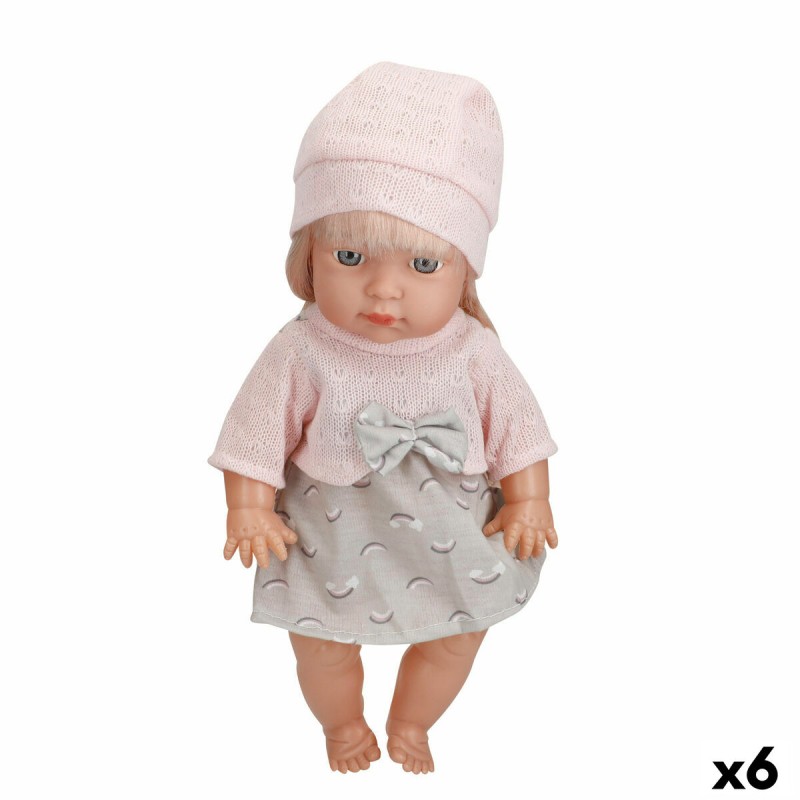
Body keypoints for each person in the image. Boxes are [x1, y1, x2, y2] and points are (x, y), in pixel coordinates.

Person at [209, 61, 559, 775]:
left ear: (466, 270)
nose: (383, 289)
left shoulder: (474, 351)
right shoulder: (302, 349)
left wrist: (529, 498)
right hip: (329, 539)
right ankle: (341, 727)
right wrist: (247, 507)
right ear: (309, 256)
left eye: (423, 266)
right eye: (350, 256)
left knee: (458, 635)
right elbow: (253, 435)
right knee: (321, 645)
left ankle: (412, 722)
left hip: (448, 535)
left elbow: (518, 431)